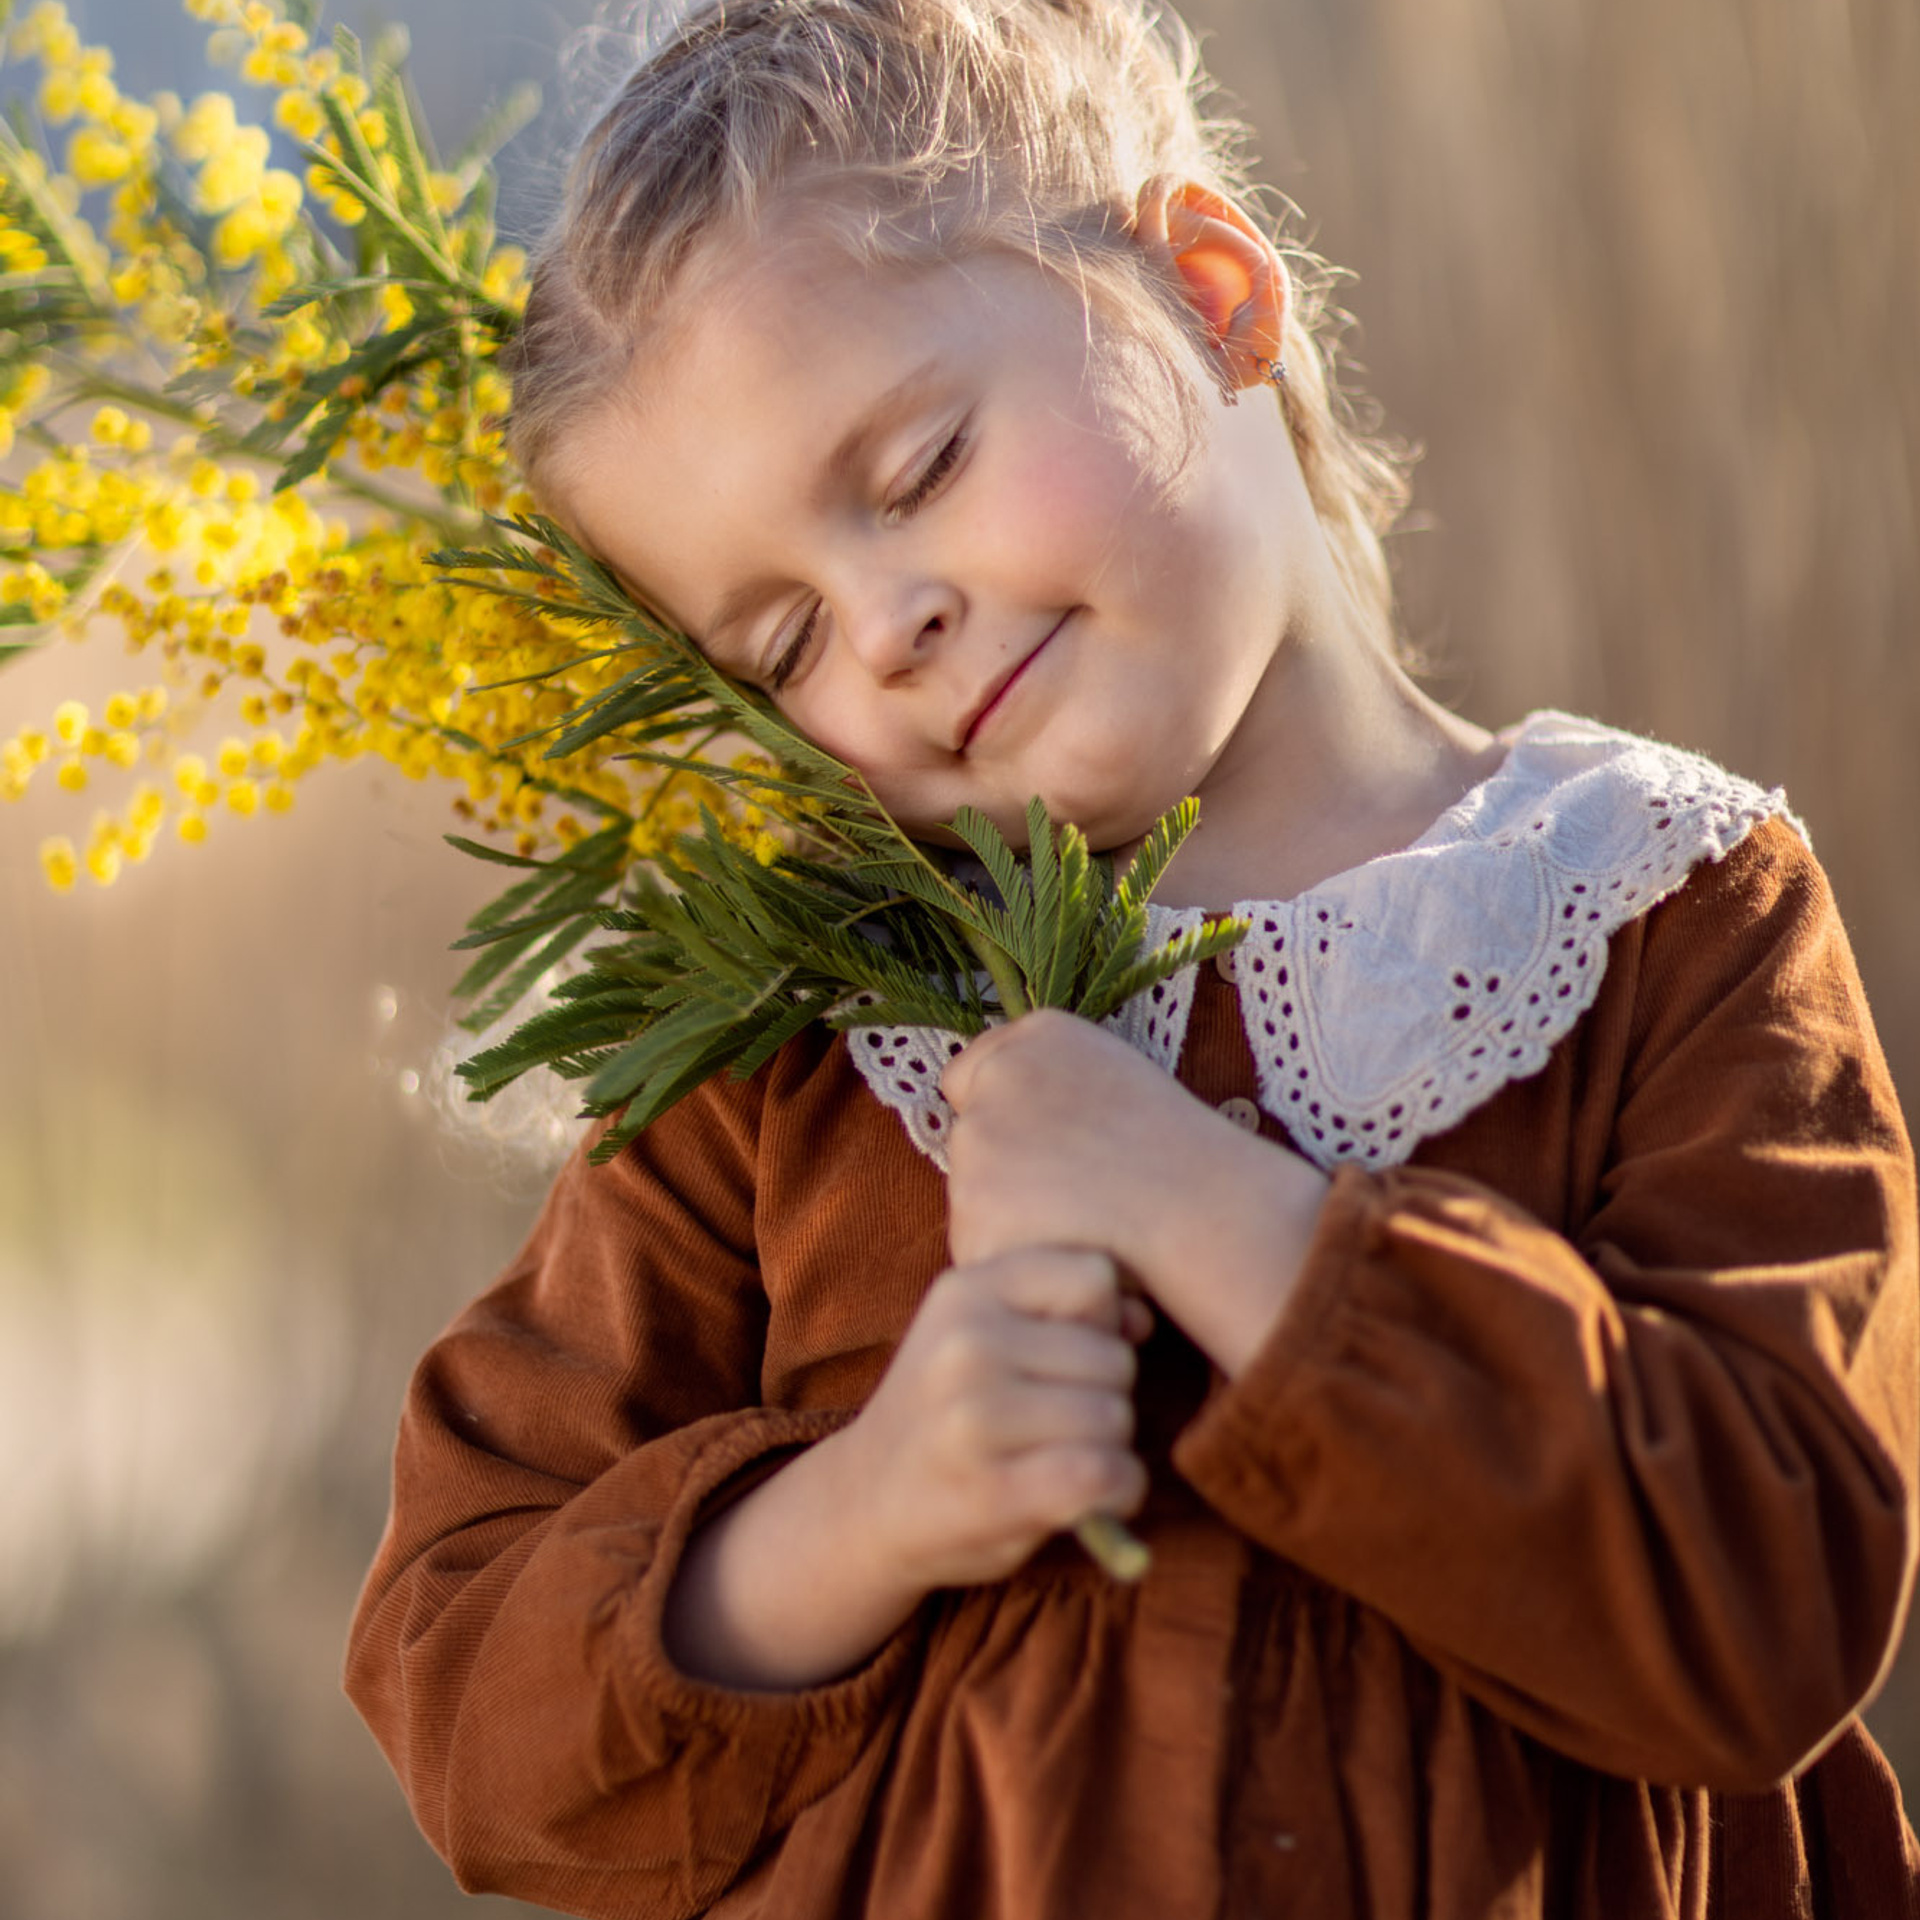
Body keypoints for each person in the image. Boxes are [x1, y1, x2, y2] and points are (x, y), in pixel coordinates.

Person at [343, 1, 1920, 1914]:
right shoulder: (804, 1035)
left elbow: (1772, 1602)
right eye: (778, 648)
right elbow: (462, 1674)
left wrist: (1218, 1213)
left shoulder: (1664, 902)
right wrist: (861, 1511)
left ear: (1208, 287)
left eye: (919, 468)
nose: (888, 626)